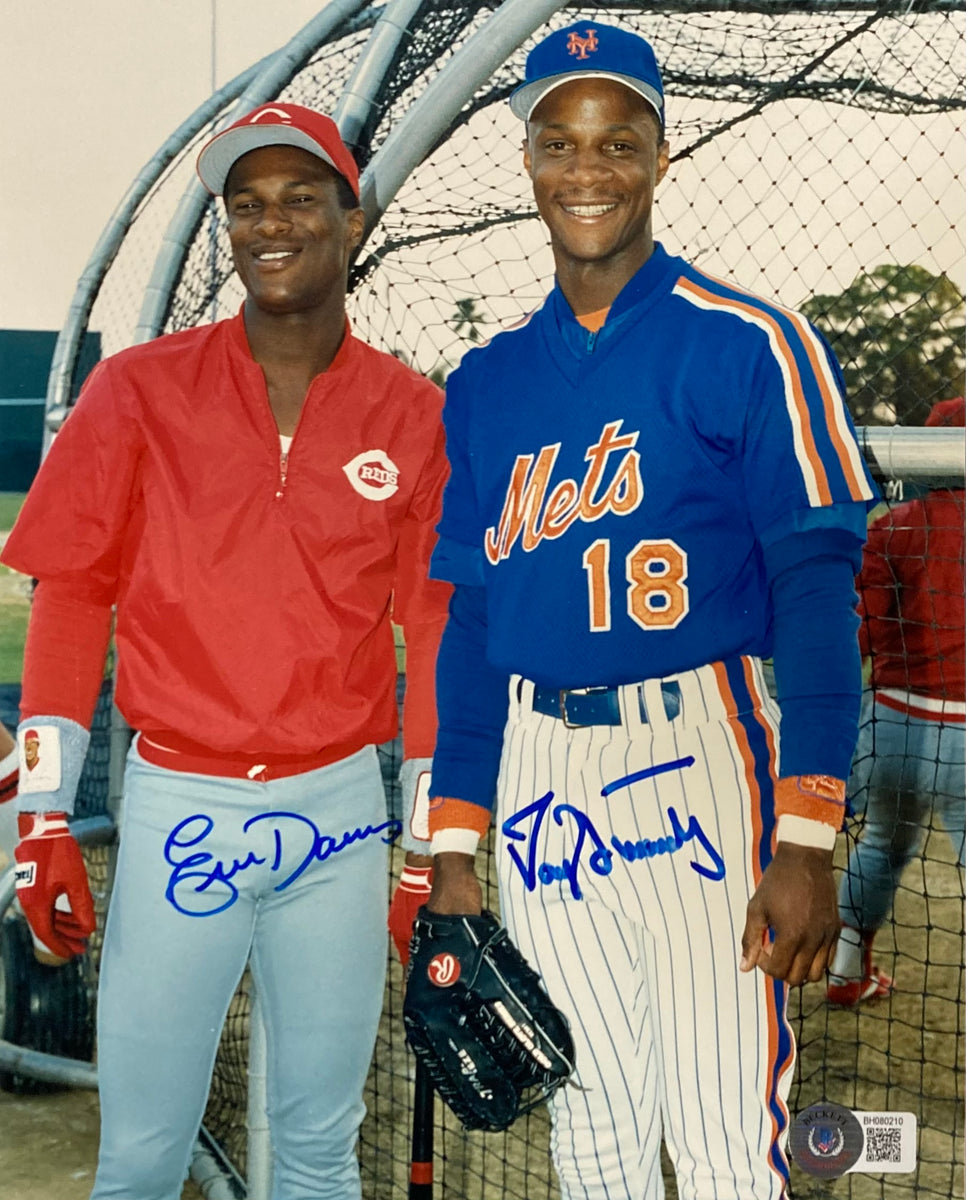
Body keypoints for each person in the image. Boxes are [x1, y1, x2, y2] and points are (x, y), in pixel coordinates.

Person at [415, 21, 878, 1200]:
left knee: (727, 1135)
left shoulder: (750, 340)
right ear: (525, 161)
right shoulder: (484, 382)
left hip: (702, 755)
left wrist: (808, 838)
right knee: (595, 1131)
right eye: (561, 143)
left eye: (618, 140)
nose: (588, 171)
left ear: (662, 156)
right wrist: (450, 848)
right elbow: (468, 626)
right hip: (537, 774)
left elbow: (820, 596)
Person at [1, 103, 450, 1200]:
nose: (270, 223)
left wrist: (431, 840)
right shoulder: (138, 390)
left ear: (356, 219)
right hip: (179, 806)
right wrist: (41, 814)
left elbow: (438, 627)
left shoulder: (412, 410)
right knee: (144, 1155)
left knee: (318, 1151)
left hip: (342, 812)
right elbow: (73, 598)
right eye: (245, 205)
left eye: (301, 197)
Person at [827, 395, 965, 1007]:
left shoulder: (890, 526)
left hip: (890, 726)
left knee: (883, 841)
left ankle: (844, 971)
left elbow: (858, 631)